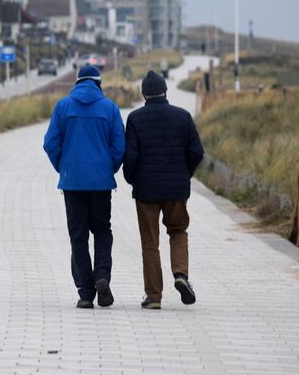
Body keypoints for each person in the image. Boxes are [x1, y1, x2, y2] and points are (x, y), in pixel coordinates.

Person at [43, 65, 126, 309]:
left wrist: (65, 167)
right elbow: (119, 147)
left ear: (78, 83)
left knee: (78, 236)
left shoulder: (63, 107)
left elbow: (50, 143)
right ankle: (101, 275)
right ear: (99, 83)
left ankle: (86, 293)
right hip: (101, 183)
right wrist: (107, 168)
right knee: (102, 230)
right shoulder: (110, 108)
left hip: (73, 182)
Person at [123, 71, 204, 310]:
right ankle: (181, 275)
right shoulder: (183, 117)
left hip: (146, 191)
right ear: (166, 91)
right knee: (178, 231)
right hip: (176, 190)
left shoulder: (136, 119)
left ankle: (154, 296)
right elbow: (197, 152)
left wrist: (132, 179)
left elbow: (130, 158)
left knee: (150, 242)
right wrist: (184, 174)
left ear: (143, 94)